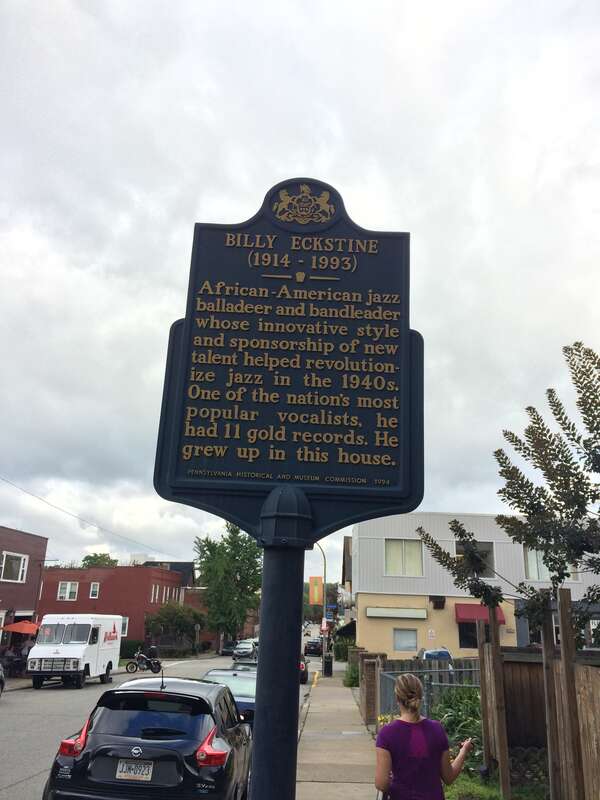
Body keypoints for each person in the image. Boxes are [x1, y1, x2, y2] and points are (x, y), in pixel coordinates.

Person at [375, 673, 473, 799]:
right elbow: (448, 777)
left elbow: (381, 784)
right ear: (421, 697)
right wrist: (464, 750)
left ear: (397, 698)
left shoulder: (387, 734)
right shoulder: (437, 729)